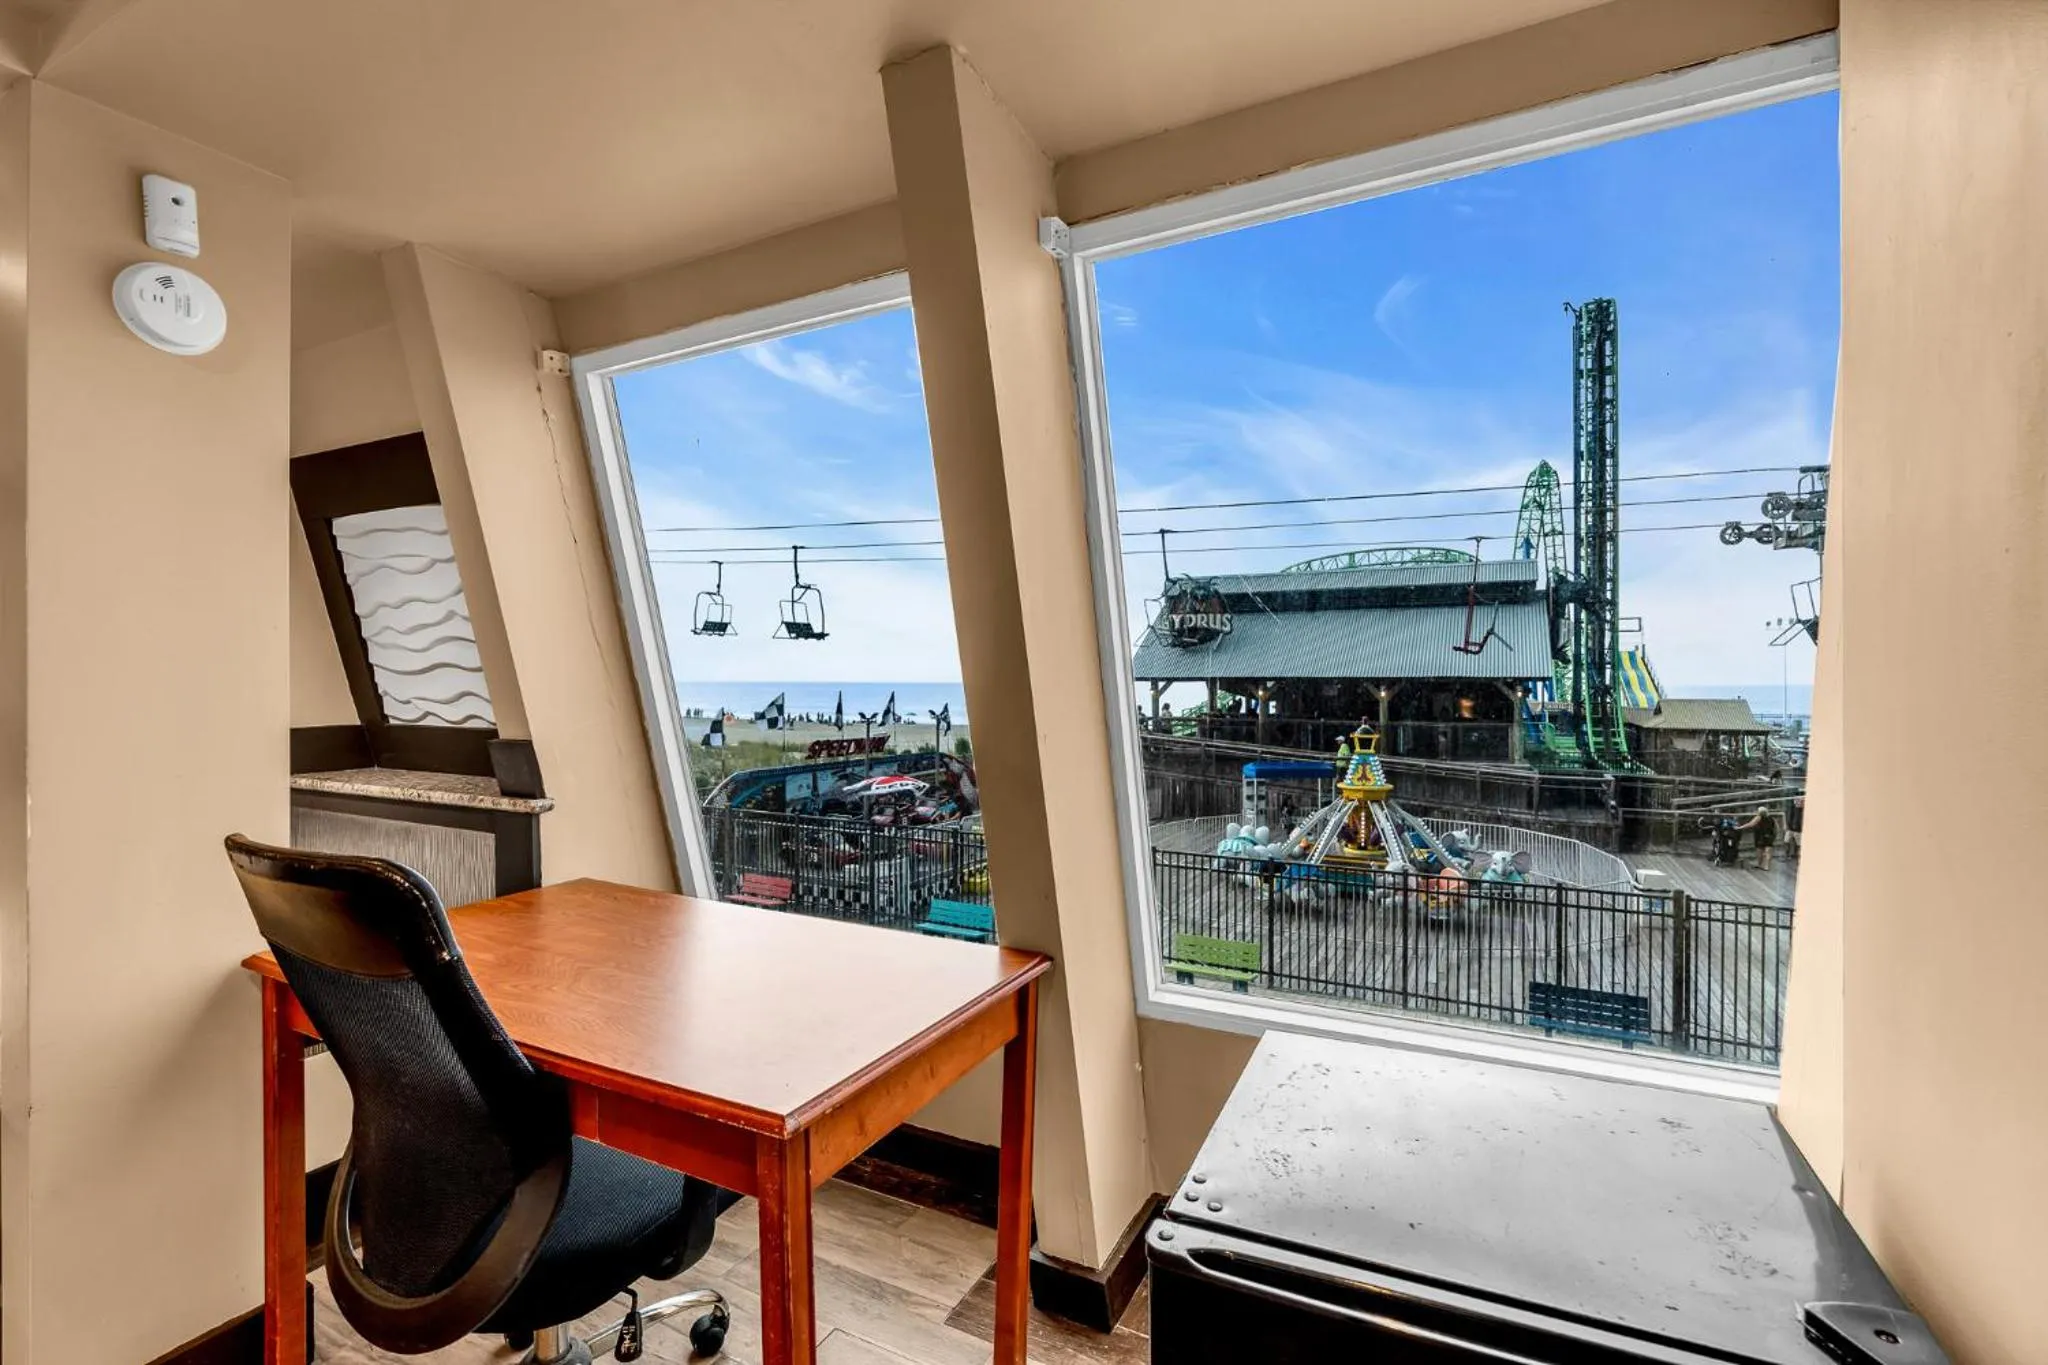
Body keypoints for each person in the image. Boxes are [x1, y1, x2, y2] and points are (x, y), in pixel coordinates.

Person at [1735, 802, 1779, 871]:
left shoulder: (1759, 817)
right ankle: (1766, 866)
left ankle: (1760, 864)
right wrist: (1774, 835)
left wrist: (1740, 827)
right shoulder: (1771, 818)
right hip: (1770, 836)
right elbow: (1776, 827)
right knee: (1768, 851)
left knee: (1760, 850)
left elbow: (1750, 824)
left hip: (1761, 836)